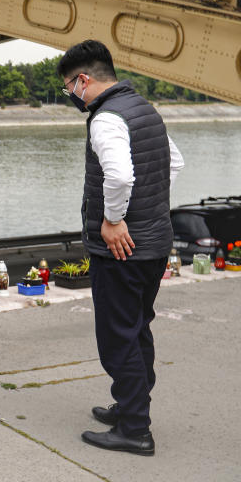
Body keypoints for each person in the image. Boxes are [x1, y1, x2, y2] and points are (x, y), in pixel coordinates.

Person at [57, 40, 184, 456]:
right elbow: (174, 163)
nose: (70, 96)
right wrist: (146, 211)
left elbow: (120, 176)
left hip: (122, 250)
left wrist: (114, 220)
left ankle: (134, 430)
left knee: (118, 338)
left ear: (83, 80)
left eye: (68, 88)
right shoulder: (145, 109)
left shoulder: (106, 118)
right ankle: (130, 406)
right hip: (154, 244)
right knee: (136, 328)